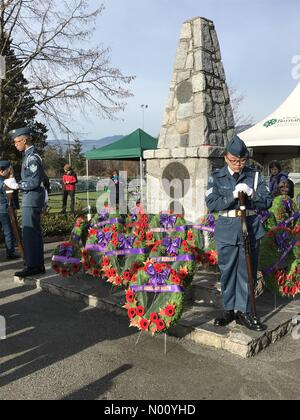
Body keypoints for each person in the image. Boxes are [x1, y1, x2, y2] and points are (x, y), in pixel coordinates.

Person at [205, 135, 273, 331]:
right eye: (234, 160)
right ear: (226, 157)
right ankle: (229, 310)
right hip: (227, 229)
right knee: (227, 272)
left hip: (249, 229)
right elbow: (212, 204)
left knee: (246, 272)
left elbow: (267, 201)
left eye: (242, 161)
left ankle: (243, 311)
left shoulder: (255, 175)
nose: (238, 165)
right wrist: (232, 195)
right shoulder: (216, 177)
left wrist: (252, 196)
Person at [8, 127, 46, 277]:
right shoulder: (28, 156)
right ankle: (36, 264)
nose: (15, 144)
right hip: (31, 197)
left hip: (32, 197)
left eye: (17, 141)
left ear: (25, 140)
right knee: (33, 232)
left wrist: (17, 185)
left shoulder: (32, 158)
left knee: (29, 232)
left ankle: (33, 265)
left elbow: (35, 181)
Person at [0, 161, 20, 260]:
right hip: (4, 209)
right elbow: (10, 198)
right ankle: (10, 252)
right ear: (2, 171)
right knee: (8, 231)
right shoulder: (5, 182)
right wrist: (11, 176)